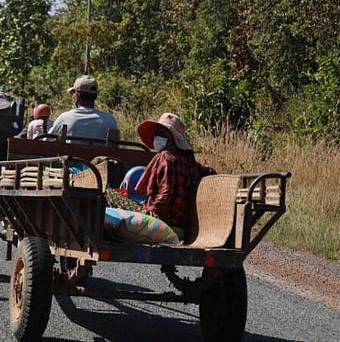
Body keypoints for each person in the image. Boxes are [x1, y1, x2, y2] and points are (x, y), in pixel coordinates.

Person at [134, 113, 218, 241]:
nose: (157, 138)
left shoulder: (166, 157)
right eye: (156, 134)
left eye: (161, 135)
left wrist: (152, 211)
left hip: (165, 223)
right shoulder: (189, 161)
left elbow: (166, 191)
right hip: (182, 223)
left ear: (171, 138)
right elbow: (211, 172)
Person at [47, 75, 118, 141]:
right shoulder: (110, 120)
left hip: (71, 154)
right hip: (101, 155)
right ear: (95, 96)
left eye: (73, 93)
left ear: (77, 95)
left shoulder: (65, 118)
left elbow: (47, 141)